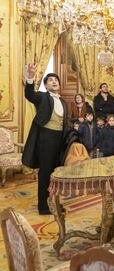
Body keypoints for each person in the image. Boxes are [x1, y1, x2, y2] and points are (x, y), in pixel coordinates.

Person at [22, 64, 69, 215]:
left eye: (56, 80)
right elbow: (30, 95)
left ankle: (53, 202)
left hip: (59, 140)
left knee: (56, 173)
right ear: (46, 85)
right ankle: (43, 206)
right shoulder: (42, 97)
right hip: (46, 138)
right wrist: (30, 78)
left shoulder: (63, 102)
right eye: (51, 80)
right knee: (45, 172)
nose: (54, 82)